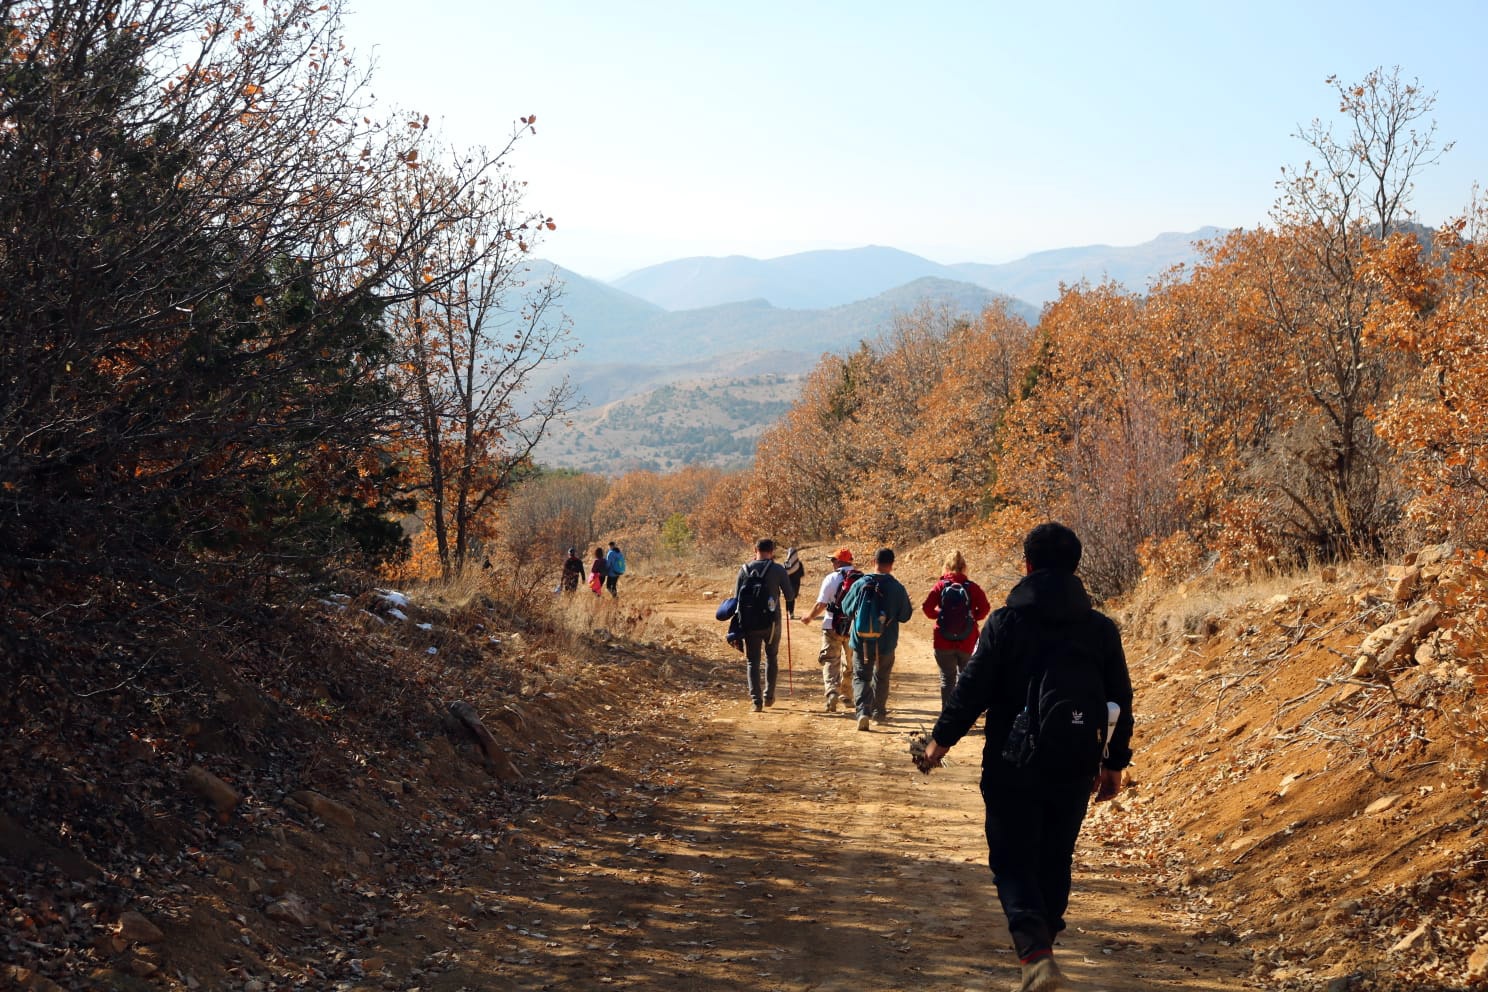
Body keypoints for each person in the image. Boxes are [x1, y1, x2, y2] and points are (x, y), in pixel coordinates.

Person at [920, 523, 1134, 992]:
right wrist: (1114, 763)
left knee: (1012, 859)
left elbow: (972, 689)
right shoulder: (1100, 629)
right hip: (1076, 761)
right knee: (1055, 856)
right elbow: (1121, 699)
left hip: (1011, 762)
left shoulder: (1007, 623)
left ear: (1028, 565)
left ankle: (1035, 954)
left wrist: (940, 741)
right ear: (1076, 567)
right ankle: (1044, 951)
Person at [838, 547, 913, 730]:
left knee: (861, 676)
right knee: (882, 676)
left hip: (861, 640)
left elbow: (846, 608)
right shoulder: (897, 587)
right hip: (886, 641)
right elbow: (905, 616)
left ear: (874, 562)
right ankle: (879, 713)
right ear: (892, 564)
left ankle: (863, 711)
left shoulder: (861, 583)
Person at [921, 549, 993, 709]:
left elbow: (927, 608)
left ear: (946, 566)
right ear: (964, 567)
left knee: (947, 679)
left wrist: (938, 615)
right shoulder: (972, 587)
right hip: (968, 640)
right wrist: (972, 616)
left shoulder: (940, 586)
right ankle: (962, 715)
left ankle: (947, 713)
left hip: (943, 640)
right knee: (965, 679)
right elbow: (985, 608)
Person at [733, 538, 791, 712]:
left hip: (750, 624)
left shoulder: (743, 570)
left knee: (752, 661)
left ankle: (756, 701)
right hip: (772, 623)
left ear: (754, 549)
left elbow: (737, 599)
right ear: (772, 551)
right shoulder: (778, 569)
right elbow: (789, 595)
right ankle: (769, 696)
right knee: (771, 657)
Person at [797, 548, 858, 713]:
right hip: (854, 626)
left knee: (831, 660)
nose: (832, 563)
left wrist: (809, 617)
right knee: (851, 661)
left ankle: (832, 693)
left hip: (832, 624)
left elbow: (821, 604)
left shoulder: (831, 578)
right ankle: (847, 694)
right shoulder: (862, 578)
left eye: (833, 560)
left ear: (839, 562)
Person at [782, 546, 806, 618]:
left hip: (787, 583)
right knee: (792, 598)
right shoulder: (799, 563)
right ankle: (791, 613)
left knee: (788, 598)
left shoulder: (786, 563)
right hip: (796, 583)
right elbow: (802, 574)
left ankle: (787, 612)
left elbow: (783, 573)